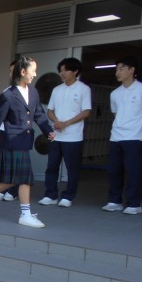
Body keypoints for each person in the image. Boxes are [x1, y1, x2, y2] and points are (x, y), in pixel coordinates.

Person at [0, 56, 55, 228]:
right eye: (33, 71)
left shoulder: (33, 92)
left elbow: (39, 114)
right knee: (24, 178)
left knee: (13, 179)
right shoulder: (8, 95)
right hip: (11, 141)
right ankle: (25, 215)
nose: (35, 74)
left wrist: (48, 131)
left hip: (24, 141)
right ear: (23, 71)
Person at [102, 56, 142, 215]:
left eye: (121, 69)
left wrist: (140, 130)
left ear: (131, 70)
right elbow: (116, 114)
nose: (117, 72)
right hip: (116, 136)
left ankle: (134, 204)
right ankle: (115, 201)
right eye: (116, 69)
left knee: (133, 171)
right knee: (114, 170)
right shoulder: (115, 93)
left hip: (134, 138)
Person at [38, 57, 91, 208]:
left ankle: (68, 196)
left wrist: (66, 123)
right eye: (61, 70)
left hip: (73, 136)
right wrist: (56, 121)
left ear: (75, 71)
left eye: (66, 70)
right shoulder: (57, 89)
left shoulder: (83, 89)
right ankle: (50, 195)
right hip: (56, 135)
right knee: (52, 166)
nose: (62, 73)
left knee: (72, 168)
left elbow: (86, 112)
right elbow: (50, 111)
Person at [0, 61, 19, 202]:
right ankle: (1, 189)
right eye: (10, 71)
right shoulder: (6, 92)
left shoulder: (29, 93)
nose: (11, 74)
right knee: (2, 163)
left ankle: (13, 191)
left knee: (14, 164)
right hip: (3, 132)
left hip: (17, 134)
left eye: (14, 71)